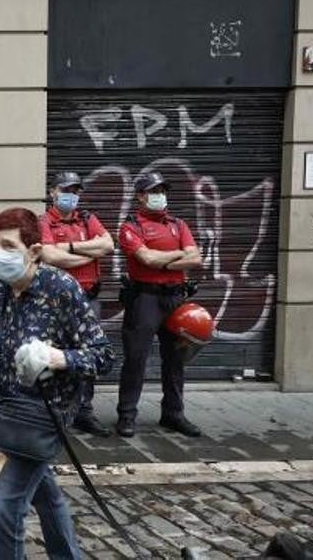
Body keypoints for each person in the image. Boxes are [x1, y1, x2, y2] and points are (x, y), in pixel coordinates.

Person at [0, 207, 113, 559]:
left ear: (34, 251)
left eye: (8, 245)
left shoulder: (61, 288)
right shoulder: (1, 287)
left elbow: (102, 356)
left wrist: (58, 357)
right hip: (8, 413)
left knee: (5, 507)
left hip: (42, 417)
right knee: (46, 495)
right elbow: (1, 339)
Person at [116, 171, 204, 438]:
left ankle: (173, 414)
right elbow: (146, 259)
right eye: (154, 192)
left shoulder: (178, 224)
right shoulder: (131, 226)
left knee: (176, 359)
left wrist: (163, 258)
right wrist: (178, 255)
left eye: (162, 191)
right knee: (136, 358)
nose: (160, 196)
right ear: (140, 196)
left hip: (176, 298)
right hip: (145, 299)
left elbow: (196, 258)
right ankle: (127, 416)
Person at [38, 171, 115, 437]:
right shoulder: (44, 221)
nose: (71, 195)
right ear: (53, 192)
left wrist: (68, 248)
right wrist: (86, 253)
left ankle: (85, 412)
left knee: (88, 355)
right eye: (66, 189)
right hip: (57, 302)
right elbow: (50, 256)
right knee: (57, 354)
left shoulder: (87, 218)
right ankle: (56, 412)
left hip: (89, 299)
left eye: (76, 190)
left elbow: (107, 245)